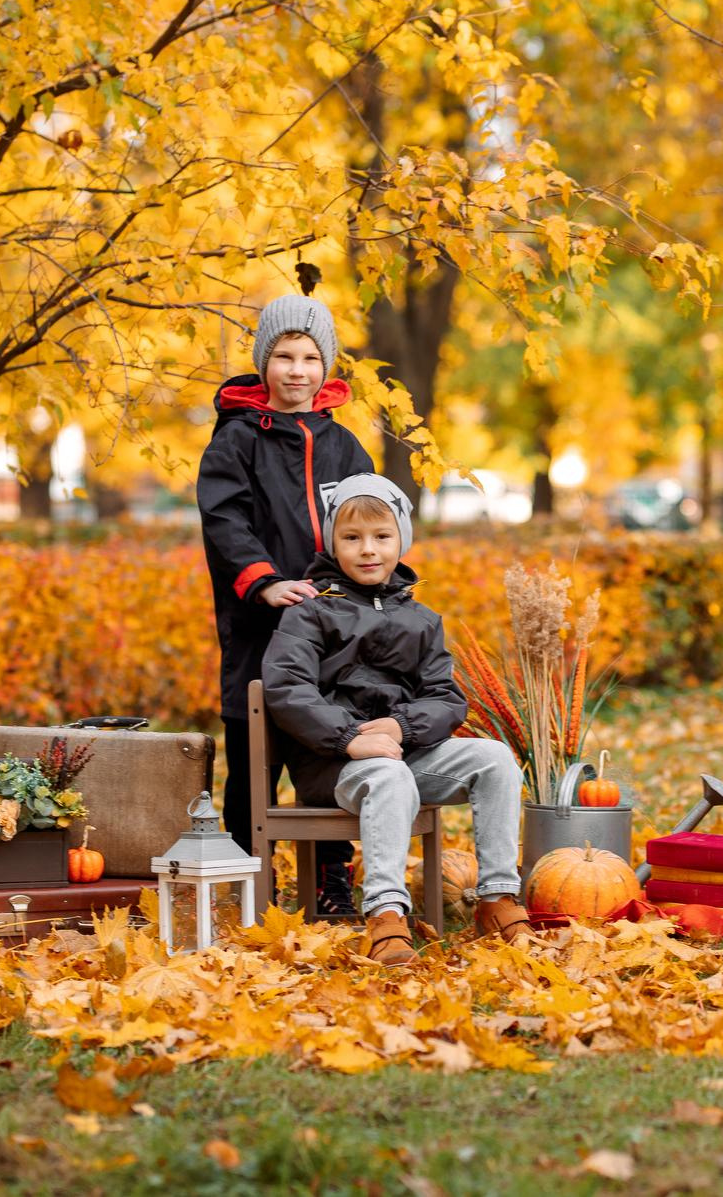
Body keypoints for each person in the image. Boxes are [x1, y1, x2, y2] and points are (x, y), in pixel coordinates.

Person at [262, 474, 529, 962]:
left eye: (382, 537)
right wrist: (347, 738)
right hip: (336, 765)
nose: (368, 550)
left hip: (408, 754)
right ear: (333, 543)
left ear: (400, 539)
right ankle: (386, 913)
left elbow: (446, 697)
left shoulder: (422, 618)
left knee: (495, 758)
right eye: (352, 538)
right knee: (386, 774)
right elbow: (287, 688)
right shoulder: (311, 612)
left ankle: (496, 896)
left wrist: (402, 727)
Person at [195, 293, 370, 913]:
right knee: (253, 756)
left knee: (327, 746)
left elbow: (370, 520)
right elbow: (225, 520)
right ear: (264, 363)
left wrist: (361, 592)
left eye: (310, 357)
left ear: (327, 366)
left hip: (334, 628)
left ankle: (332, 880)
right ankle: (249, 882)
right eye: (285, 357)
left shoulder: (344, 445)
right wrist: (264, 579)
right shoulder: (237, 440)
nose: (298, 371)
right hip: (261, 624)